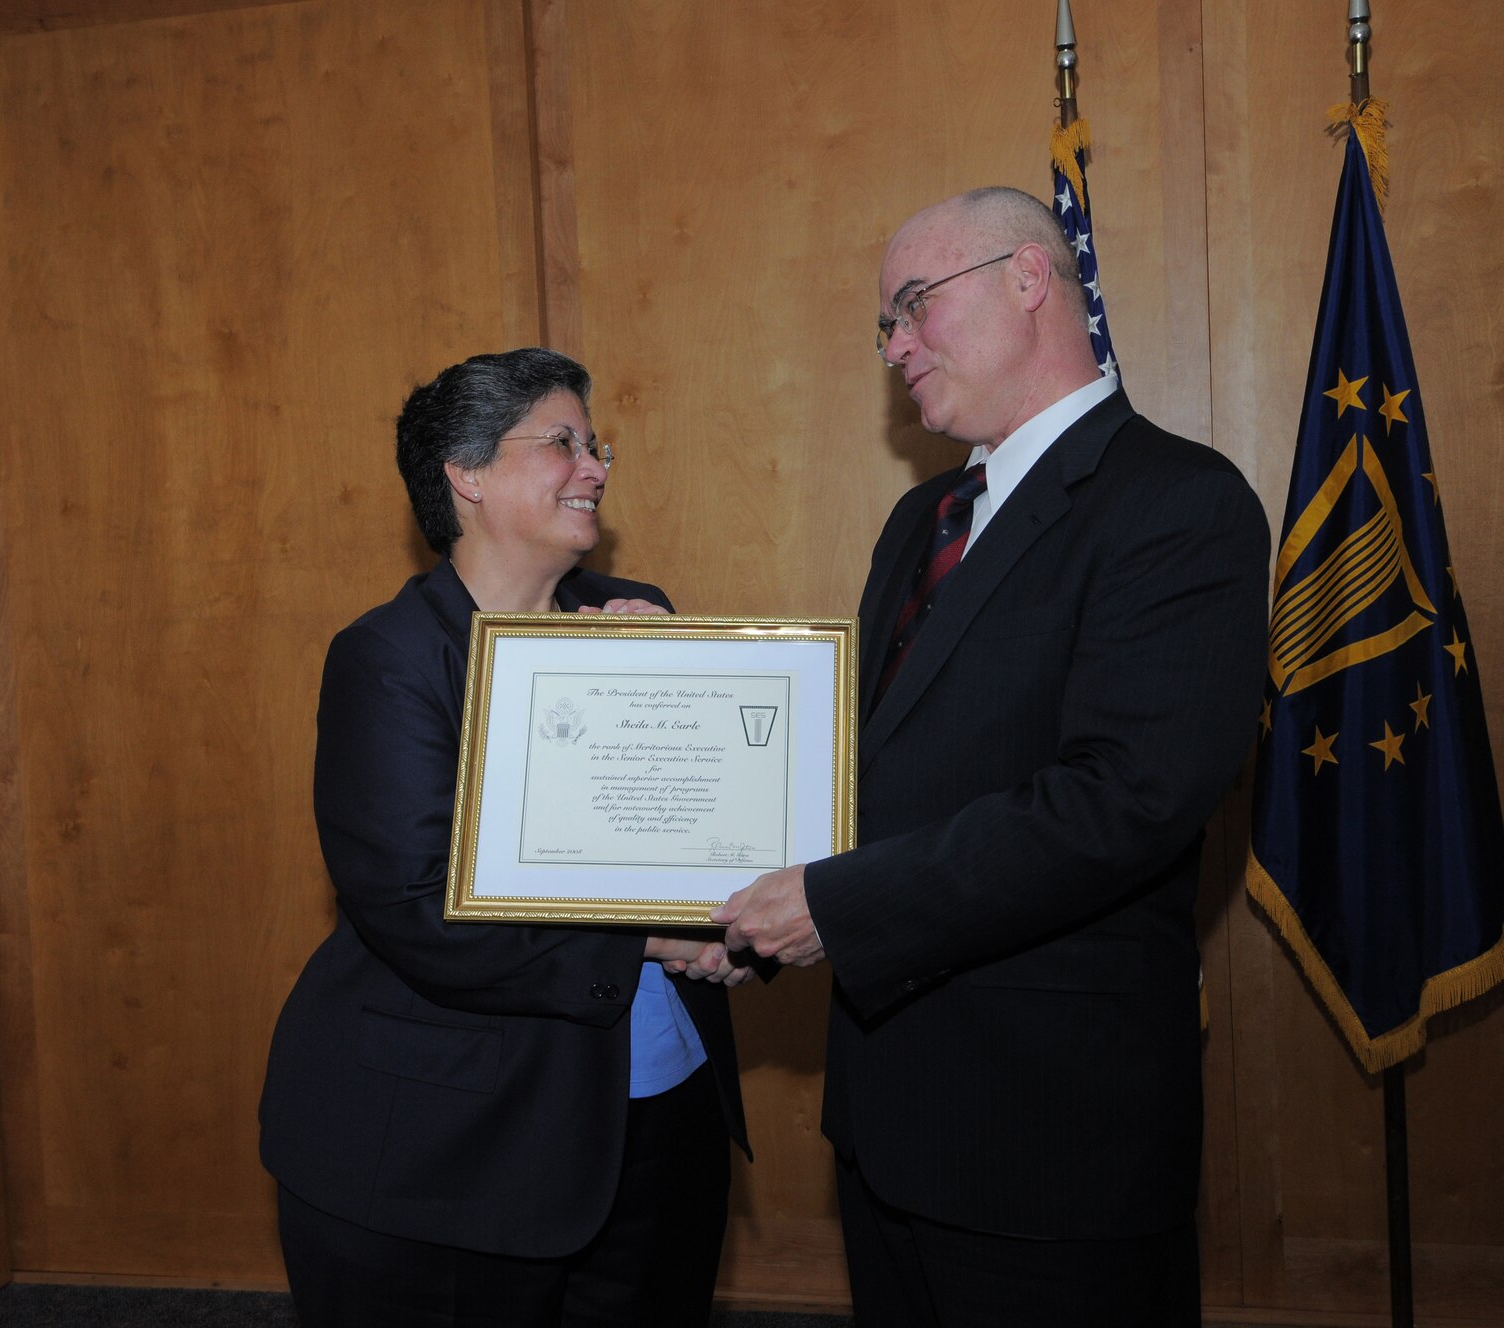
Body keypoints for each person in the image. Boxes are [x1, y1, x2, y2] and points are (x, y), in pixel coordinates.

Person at [713, 188, 1269, 1324]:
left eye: (913, 306)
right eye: (884, 326)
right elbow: (864, 785)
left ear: (1028, 279)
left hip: (1050, 1146)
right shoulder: (920, 521)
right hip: (883, 1127)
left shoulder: (1177, 503)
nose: (895, 347)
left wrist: (830, 906)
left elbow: (1119, 802)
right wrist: (747, 920)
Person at [261, 347, 750, 1328]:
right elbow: (420, 906)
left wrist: (678, 700)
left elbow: (705, 836)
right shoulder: (391, 658)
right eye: (561, 442)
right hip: (450, 1148)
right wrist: (656, 934)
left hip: (659, 1115)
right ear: (466, 475)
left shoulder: (631, 621)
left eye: (594, 442)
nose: (596, 466)